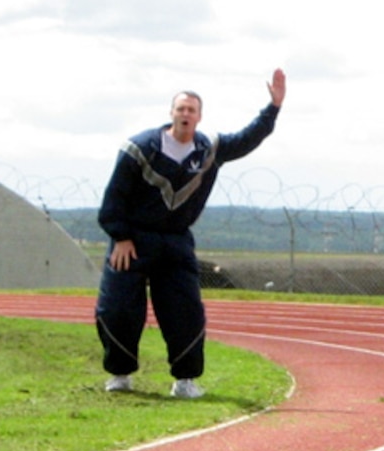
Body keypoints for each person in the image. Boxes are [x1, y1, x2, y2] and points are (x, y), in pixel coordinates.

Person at [96, 70, 286, 397]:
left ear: (199, 117)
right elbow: (115, 196)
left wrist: (273, 107)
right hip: (133, 240)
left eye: (191, 110)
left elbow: (247, 138)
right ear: (171, 113)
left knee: (185, 312)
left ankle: (185, 381)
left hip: (175, 242)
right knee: (117, 310)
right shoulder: (139, 148)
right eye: (180, 109)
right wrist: (120, 235)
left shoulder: (208, 149)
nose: (186, 114)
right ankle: (120, 375)